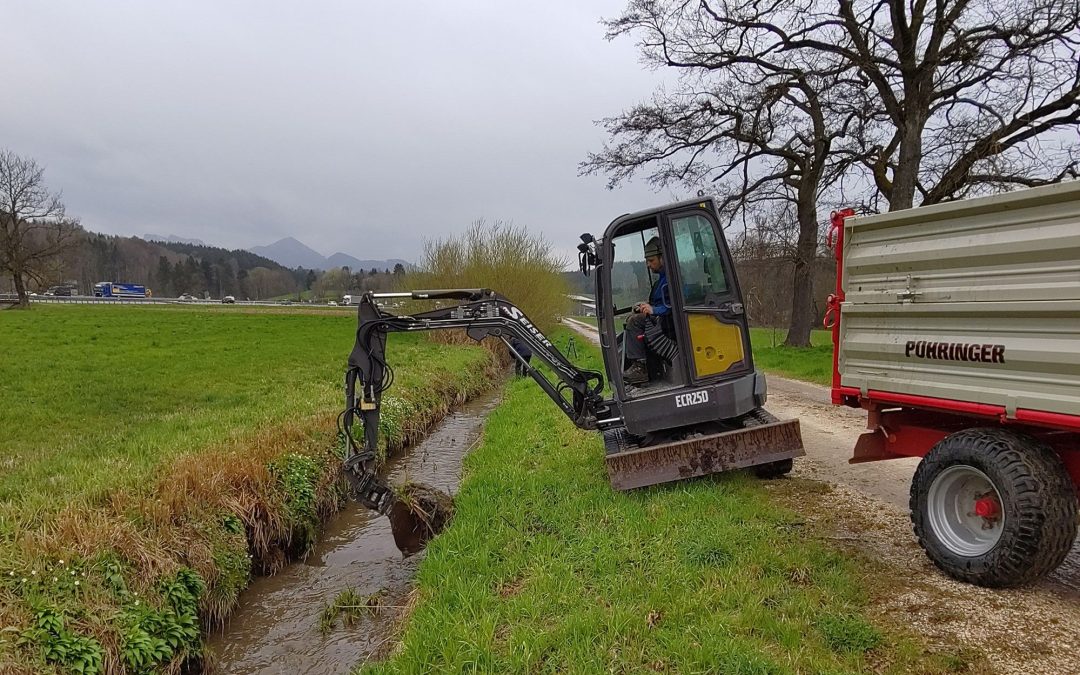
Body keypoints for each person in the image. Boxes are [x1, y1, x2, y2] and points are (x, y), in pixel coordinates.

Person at [622, 236, 671, 385]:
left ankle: (640, 367)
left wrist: (654, 309)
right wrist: (646, 306)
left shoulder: (674, 277)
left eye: (651, 261)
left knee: (634, 321)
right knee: (634, 317)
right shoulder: (662, 280)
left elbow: (675, 305)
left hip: (669, 322)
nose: (648, 265)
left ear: (662, 258)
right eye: (647, 261)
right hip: (662, 319)